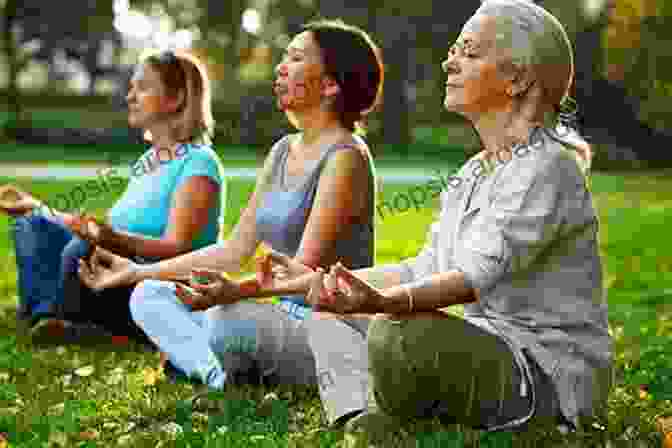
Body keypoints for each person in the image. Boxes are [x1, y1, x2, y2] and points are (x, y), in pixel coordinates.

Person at [254, 0, 612, 440]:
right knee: (328, 314)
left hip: (541, 375)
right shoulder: (472, 173)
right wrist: (318, 283)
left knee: (395, 334)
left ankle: (392, 410)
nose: (449, 61)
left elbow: (468, 280)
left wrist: (382, 304)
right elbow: (420, 271)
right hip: (483, 344)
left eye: (469, 51)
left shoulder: (547, 167)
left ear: (517, 78)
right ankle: (360, 417)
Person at [79, 19, 383, 400]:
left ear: (330, 84)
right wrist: (137, 272)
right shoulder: (283, 151)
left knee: (226, 318)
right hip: (274, 314)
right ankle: (218, 374)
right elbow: (234, 250)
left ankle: (209, 364)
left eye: (296, 58)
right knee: (149, 294)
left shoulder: (346, 157)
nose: (280, 67)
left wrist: (232, 293)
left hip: (324, 326)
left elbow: (299, 273)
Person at [2, 50, 226, 343]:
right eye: (131, 87)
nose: (130, 97)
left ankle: (78, 323)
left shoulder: (198, 162)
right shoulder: (147, 162)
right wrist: (37, 207)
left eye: (143, 87)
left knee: (82, 249)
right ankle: (50, 316)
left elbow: (178, 247)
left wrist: (109, 239)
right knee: (32, 224)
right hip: (117, 263)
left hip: (157, 283)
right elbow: (100, 229)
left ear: (176, 99)